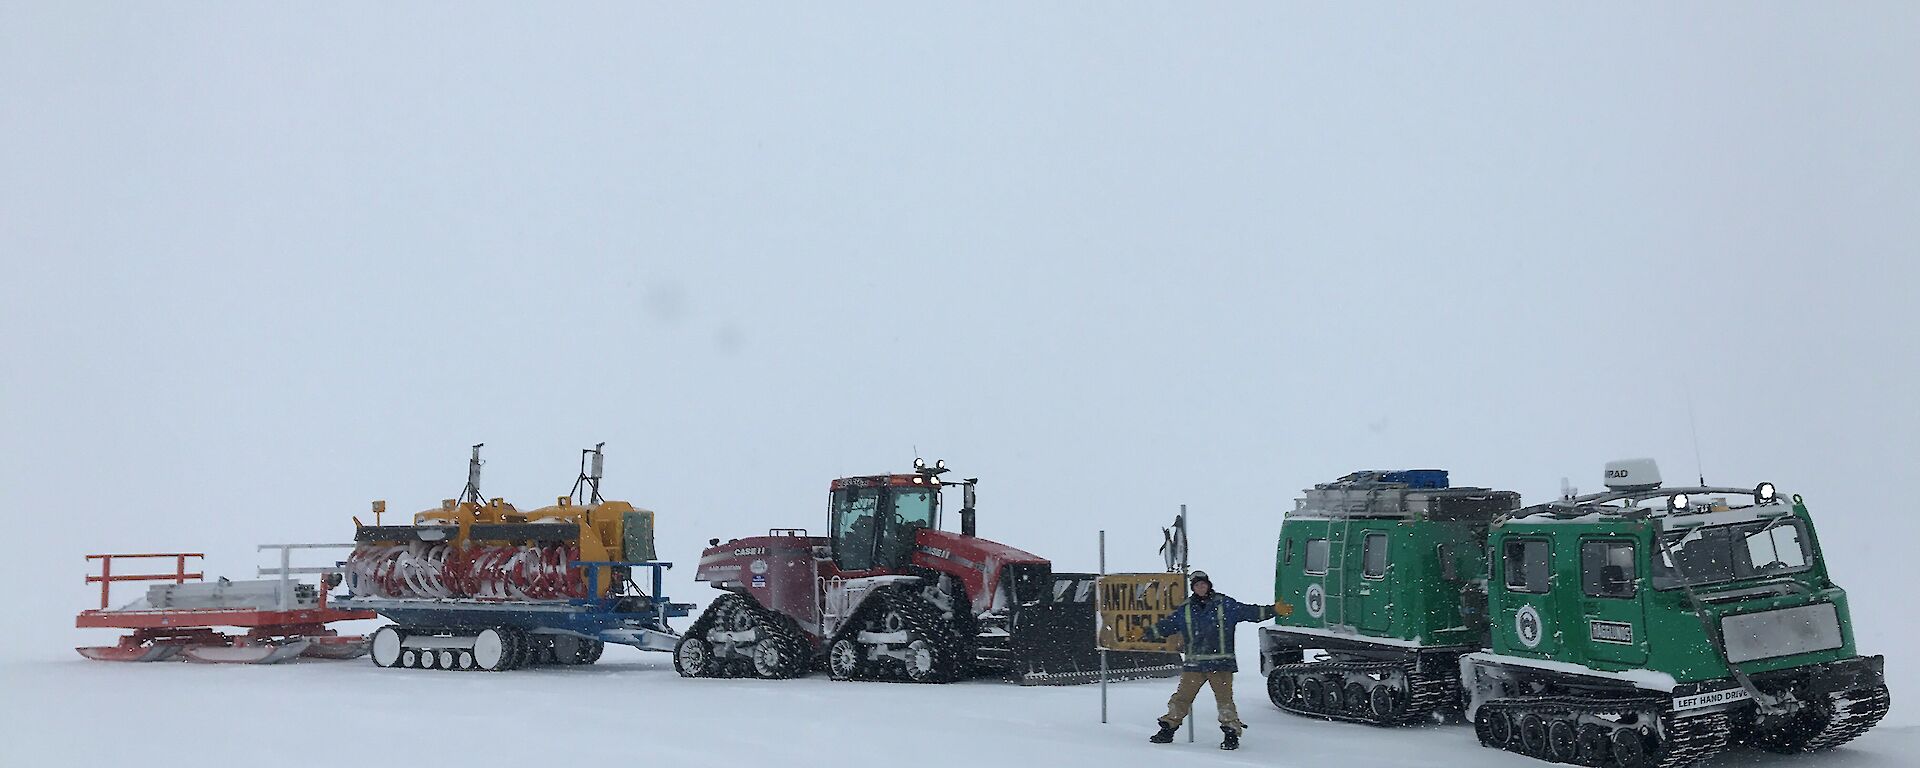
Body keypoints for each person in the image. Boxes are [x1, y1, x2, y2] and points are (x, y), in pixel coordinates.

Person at [1143, 570, 1277, 751]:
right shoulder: (1186, 609)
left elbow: (1250, 612)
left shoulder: (1224, 604)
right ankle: (1168, 730)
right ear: (1193, 588)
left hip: (1220, 665)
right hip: (1194, 665)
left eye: (1203, 584)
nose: (1201, 587)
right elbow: (1168, 625)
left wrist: (1274, 610)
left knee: (1224, 701)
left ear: (1208, 585)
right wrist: (1146, 633)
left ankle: (1231, 734)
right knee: (1182, 698)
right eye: (1197, 585)